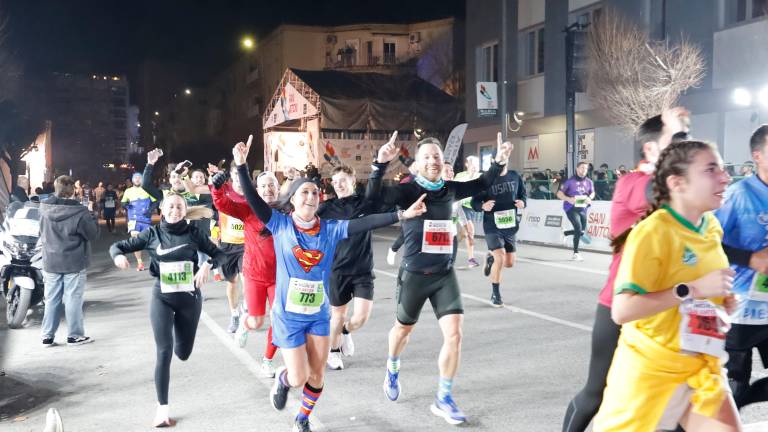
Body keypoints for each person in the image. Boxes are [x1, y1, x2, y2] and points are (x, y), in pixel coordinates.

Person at [232, 135, 426, 432]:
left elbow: (365, 222)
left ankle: (302, 418)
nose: (311, 196)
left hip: (318, 315)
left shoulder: (331, 229)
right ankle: (283, 380)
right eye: (304, 192)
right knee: (298, 377)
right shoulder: (280, 225)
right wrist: (242, 167)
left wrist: (402, 214)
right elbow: (255, 201)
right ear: (292, 199)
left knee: (318, 375)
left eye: (314, 192)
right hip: (289, 316)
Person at [593, 140, 741, 432]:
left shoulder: (711, 226)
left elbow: (700, 290)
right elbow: (622, 311)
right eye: (711, 169)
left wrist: (720, 304)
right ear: (677, 183)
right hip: (651, 371)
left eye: (723, 169)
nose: (725, 177)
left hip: (700, 365)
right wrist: (693, 289)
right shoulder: (651, 233)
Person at [367, 132, 511, 425]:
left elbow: (482, 183)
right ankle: (392, 367)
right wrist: (379, 165)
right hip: (414, 275)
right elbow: (372, 200)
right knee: (402, 331)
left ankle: (443, 397)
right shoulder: (407, 190)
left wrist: (497, 162)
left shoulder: (449, 189)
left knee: (455, 335)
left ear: (443, 160)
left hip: (444, 274)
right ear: (417, 163)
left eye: (437, 156)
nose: (433, 160)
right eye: (427, 157)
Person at [562, 108, 690, 432]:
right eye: (674, 142)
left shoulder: (684, 192)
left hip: (666, 309)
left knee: (679, 401)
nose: (683, 150)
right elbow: (661, 192)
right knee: (596, 393)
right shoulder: (633, 183)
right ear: (650, 149)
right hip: (620, 305)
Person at [109, 191, 225, 428]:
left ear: (185, 211)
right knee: (164, 350)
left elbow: (220, 254)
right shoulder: (152, 234)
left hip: (189, 298)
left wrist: (207, 265)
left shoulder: (194, 233)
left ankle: (175, 329)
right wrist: (117, 257)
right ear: (162, 209)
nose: (174, 211)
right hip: (161, 297)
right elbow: (117, 246)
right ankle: (162, 410)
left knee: (183, 353)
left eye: (179, 207)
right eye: (170, 206)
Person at [210, 167, 281, 377]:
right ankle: (245, 323)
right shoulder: (248, 208)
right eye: (263, 186)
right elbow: (223, 204)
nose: (268, 189)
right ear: (257, 190)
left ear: (278, 188)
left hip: (280, 278)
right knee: (256, 321)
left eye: (272, 185)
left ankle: (268, 360)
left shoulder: (288, 210)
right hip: (254, 275)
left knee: (279, 321)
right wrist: (217, 188)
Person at [716, 125, 768, 410]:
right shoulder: (736, 195)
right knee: (734, 389)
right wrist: (751, 259)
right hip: (741, 309)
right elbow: (708, 245)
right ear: (757, 156)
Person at [317, 165, 389, 370]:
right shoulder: (326, 208)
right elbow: (304, 221)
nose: (338, 185)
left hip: (362, 270)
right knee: (337, 315)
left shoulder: (365, 204)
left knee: (360, 318)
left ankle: (346, 331)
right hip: (337, 270)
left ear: (353, 181)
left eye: (343, 180)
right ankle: (333, 352)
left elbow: (386, 206)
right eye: (335, 181)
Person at [40, 175, 99, 347]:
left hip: (51, 260)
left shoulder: (44, 207)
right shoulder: (79, 211)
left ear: (56, 188)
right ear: (72, 190)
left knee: (52, 299)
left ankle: (47, 336)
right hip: (74, 260)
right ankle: (74, 335)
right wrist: (91, 214)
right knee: (73, 298)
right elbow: (92, 234)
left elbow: (41, 230)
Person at [471, 154, 526, 307]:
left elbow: (523, 195)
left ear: (507, 160)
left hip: (509, 224)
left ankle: (490, 257)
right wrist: (482, 206)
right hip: (492, 225)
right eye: (499, 159)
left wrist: (523, 202)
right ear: (493, 161)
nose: (502, 162)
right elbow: (474, 202)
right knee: (500, 257)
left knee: (509, 263)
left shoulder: (515, 176)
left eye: (504, 159)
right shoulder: (485, 179)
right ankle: (495, 294)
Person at [556, 162, 595, 261]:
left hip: (583, 208)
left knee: (581, 232)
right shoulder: (569, 181)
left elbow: (592, 193)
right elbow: (559, 194)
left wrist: (590, 198)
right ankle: (576, 253)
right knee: (578, 227)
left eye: (586, 168)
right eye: (582, 168)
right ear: (577, 169)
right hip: (571, 208)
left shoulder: (589, 182)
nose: (584, 170)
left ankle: (566, 233)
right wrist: (568, 199)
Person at [121, 170, 158, 271]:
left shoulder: (147, 190)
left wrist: (150, 210)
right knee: (135, 240)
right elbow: (123, 202)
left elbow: (156, 201)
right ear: (132, 180)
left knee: (149, 241)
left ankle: (154, 260)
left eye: (139, 178)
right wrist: (126, 205)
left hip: (145, 219)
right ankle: (140, 263)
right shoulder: (128, 191)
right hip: (133, 220)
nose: (137, 179)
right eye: (135, 178)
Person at [453, 155, 481, 268]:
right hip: (461, 206)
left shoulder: (480, 176)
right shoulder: (460, 176)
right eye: (472, 164)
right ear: (467, 164)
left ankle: (459, 237)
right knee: (470, 230)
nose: (475, 166)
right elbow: (453, 189)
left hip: (473, 206)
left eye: (477, 164)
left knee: (464, 233)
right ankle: (471, 259)